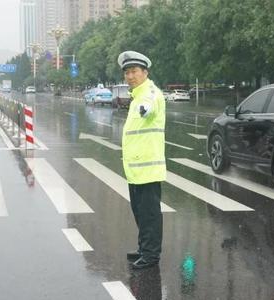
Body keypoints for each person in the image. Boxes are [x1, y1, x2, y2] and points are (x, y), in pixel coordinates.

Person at [117, 50, 166, 269]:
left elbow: (149, 106)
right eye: (127, 72)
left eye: (134, 71)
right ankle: (143, 248)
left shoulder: (150, 93)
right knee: (140, 213)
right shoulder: (137, 94)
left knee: (150, 215)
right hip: (136, 169)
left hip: (148, 168)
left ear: (145, 72)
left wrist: (145, 108)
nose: (130, 76)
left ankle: (151, 255)